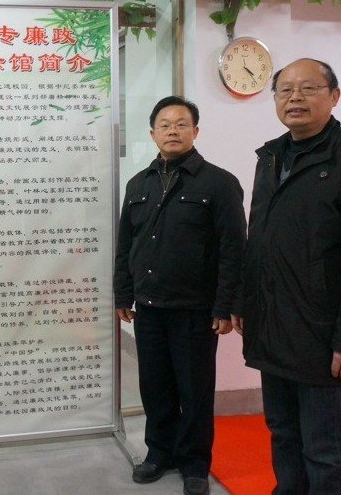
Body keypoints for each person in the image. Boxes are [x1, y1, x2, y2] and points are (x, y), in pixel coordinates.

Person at [233, 58, 341, 494]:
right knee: (283, 433)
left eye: (308, 88)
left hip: (323, 334)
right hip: (272, 326)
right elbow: (260, 241)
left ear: (334, 96)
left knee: (326, 447)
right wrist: (245, 302)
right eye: (285, 90)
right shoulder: (270, 157)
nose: (295, 98)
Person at [114, 96, 246, 495]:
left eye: (181, 124)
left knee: (195, 391)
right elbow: (126, 245)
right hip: (149, 308)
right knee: (155, 387)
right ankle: (159, 453)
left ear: (195, 131)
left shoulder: (219, 183)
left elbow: (233, 249)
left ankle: (194, 464)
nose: (172, 131)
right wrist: (123, 293)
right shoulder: (138, 184)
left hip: (196, 310)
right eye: (165, 125)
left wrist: (226, 304)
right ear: (153, 133)